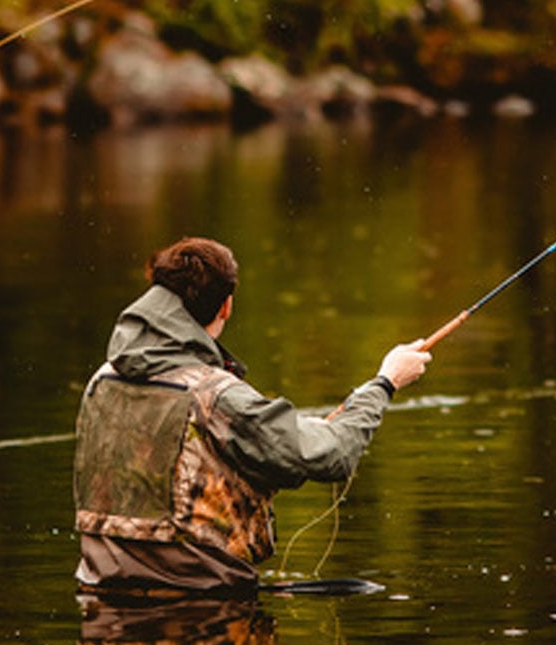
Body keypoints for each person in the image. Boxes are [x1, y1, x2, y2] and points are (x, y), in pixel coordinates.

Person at [73, 237, 431, 595]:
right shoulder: (216, 394)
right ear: (226, 306)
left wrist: (300, 430)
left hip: (99, 595)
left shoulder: (101, 380)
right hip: (204, 606)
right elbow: (332, 455)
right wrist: (385, 382)